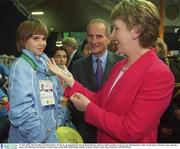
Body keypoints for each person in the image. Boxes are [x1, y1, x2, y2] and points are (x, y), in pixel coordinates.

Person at [48, 0, 174, 143]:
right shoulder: (119, 66)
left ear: (135, 31)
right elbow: (100, 100)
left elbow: (130, 130)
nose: (112, 35)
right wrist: (70, 82)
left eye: (116, 29)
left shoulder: (158, 74)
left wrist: (88, 108)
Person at [8, 19, 67, 143]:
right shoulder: (21, 66)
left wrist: (57, 121)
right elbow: (21, 110)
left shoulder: (47, 63)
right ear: (24, 40)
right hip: (31, 139)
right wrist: (39, 135)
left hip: (50, 134)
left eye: (44, 38)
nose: (42, 43)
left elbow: (55, 97)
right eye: (36, 38)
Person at [70, 18, 123, 143]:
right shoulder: (77, 65)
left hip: (113, 134)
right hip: (85, 132)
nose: (94, 41)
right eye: (90, 36)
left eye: (99, 36)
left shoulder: (121, 63)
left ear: (108, 38)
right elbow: (73, 99)